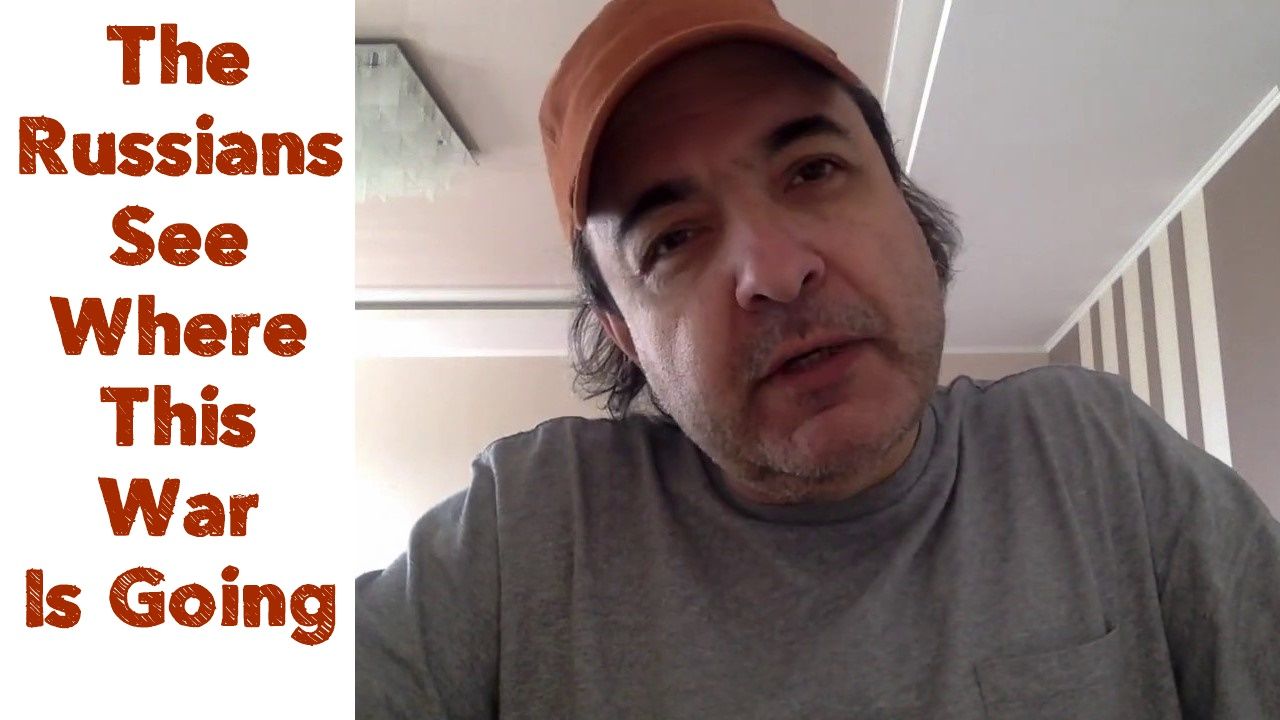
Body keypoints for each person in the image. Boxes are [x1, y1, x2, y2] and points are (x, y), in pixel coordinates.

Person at [355, 0, 1280, 717]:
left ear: (904, 209)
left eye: (813, 171)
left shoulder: (1094, 455)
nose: (775, 271)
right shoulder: (529, 530)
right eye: (673, 239)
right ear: (625, 335)